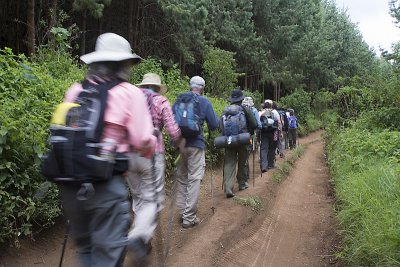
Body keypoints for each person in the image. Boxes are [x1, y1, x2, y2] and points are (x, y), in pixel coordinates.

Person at [59, 33, 156, 267]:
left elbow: (63, 132)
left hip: (70, 186)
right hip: (105, 184)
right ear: (123, 64)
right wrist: (149, 146)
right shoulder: (129, 92)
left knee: (86, 250)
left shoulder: (76, 90)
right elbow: (142, 140)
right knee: (107, 256)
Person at [126, 73, 184, 263]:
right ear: (157, 87)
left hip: (129, 153)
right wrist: (179, 142)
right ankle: (139, 236)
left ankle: (141, 236)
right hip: (152, 154)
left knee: (137, 196)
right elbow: (173, 129)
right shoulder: (161, 101)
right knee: (154, 199)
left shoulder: (131, 97)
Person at [173, 76, 219, 229]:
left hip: (181, 144)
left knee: (182, 178)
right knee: (194, 179)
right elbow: (213, 124)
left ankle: (181, 212)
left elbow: (172, 121)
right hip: (196, 145)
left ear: (190, 86)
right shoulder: (204, 101)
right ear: (202, 88)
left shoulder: (180, 99)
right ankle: (189, 217)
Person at [221, 89, 257, 198]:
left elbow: (221, 126)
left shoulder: (225, 111)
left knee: (229, 163)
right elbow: (254, 124)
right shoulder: (245, 109)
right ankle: (242, 184)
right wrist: (249, 133)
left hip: (229, 140)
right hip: (243, 139)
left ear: (231, 99)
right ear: (241, 99)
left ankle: (228, 188)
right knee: (243, 161)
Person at [241, 96, 262, 185]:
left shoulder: (239, 109)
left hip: (237, 136)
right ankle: (245, 176)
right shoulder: (253, 110)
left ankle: (241, 175)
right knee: (246, 155)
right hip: (248, 136)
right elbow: (259, 125)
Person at [259, 100, 282, 172]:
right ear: (270, 106)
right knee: (272, 148)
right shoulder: (274, 112)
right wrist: (280, 132)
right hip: (273, 132)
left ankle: (264, 166)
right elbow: (279, 122)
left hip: (263, 133)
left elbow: (258, 124)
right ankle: (270, 164)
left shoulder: (260, 113)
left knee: (263, 149)